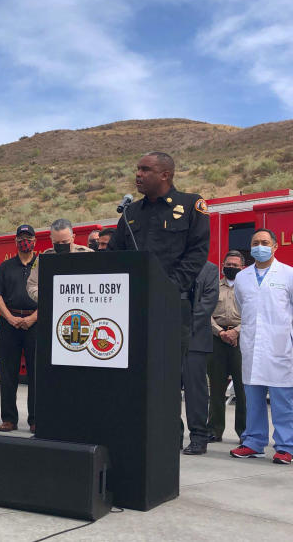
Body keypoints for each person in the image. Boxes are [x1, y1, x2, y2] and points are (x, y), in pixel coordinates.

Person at [108, 151, 209, 448]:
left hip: (170, 305)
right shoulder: (130, 213)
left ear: (165, 174)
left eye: (145, 170)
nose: (138, 175)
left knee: (166, 377)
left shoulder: (191, 205)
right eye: (137, 169)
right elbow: (115, 253)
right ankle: (137, 432)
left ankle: (169, 437)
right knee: (133, 374)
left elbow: (197, 254)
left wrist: (166, 287)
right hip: (132, 306)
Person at [230, 229, 293, 464]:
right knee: (252, 398)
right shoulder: (243, 277)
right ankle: (253, 442)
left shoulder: (290, 274)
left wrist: (287, 328)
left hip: (278, 346)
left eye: (265, 242)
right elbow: (241, 305)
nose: (260, 246)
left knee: (283, 399)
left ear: (275, 246)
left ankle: (286, 446)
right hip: (252, 344)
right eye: (255, 242)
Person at [0, 224, 39, 433]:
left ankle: (36, 419)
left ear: (35, 241)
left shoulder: (42, 265)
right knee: (8, 374)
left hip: (35, 323)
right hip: (9, 323)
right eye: (20, 238)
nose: (24, 241)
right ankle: (9, 419)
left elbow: (50, 295)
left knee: (36, 374)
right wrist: (9, 317)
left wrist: (34, 318)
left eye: (28, 237)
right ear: (15, 241)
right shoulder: (5, 267)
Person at [207, 250, 246, 443]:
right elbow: (205, 311)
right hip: (217, 338)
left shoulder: (247, 287)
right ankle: (214, 429)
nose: (231, 268)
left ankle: (245, 432)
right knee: (216, 387)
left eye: (235, 265)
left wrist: (236, 331)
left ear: (242, 268)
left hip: (241, 340)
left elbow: (254, 312)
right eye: (228, 264)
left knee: (242, 388)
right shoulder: (214, 286)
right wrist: (220, 332)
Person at [183, 261, 219, 454]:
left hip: (195, 337)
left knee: (195, 391)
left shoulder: (209, 269)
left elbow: (208, 302)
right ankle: (173, 435)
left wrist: (181, 322)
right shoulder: (169, 263)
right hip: (168, 337)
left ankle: (198, 437)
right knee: (167, 391)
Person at [26, 218, 93, 303]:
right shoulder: (44, 258)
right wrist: (47, 298)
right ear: (51, 239)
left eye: (65, 242)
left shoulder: (87, 254)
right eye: (56, 243)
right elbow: (32, 285)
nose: (61, 245)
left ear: (73, 237)